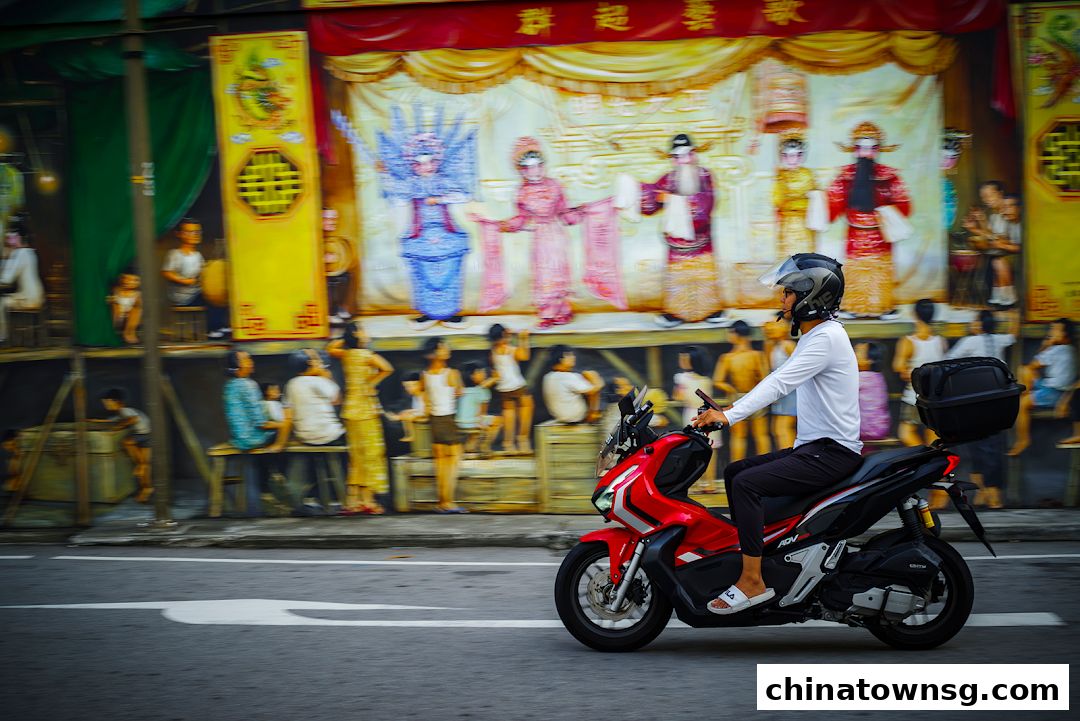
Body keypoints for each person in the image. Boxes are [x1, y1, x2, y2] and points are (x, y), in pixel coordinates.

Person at [692, 253, 863, 615]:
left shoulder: (826, 338)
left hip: (831, 453)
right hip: (815, 448)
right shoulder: (819, 336)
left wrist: (729, 415)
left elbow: (779, 383)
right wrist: (726, 411)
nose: (782, 299)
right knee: (735, 471)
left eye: (788, 293)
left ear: (810, 297)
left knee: (746, 484)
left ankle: (753, 581)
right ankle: (763, 558)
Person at [470, 139, 585, 328]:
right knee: (544, 273)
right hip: (540, 236)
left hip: (556, 234)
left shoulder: (555, 186)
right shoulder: (522, 192)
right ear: (521, 170)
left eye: (538, 166)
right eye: (529, 168)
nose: (535, 171)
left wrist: (581, 212)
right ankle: (547, 313)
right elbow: (522, 219)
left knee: (559, 270)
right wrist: (499, 225)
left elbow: (564, 212)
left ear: (543, 166)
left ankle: (563, 311)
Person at [638, 133, 726, 328]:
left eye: (685, 155)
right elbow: (650, 203)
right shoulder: (668, 180)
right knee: (678, 279)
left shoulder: (704, 176)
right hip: (677, 244)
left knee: (703, 276)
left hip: (701, 240)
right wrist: (639, 192)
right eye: (676, 157)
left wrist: (672, 200)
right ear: (672, 159)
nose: (681, 160)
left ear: (694, 155)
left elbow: (706, 204)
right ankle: (676, 313)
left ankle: (711, 310)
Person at [826, 122, 911, 320]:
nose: (866, 153)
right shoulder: (845, 175)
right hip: (855, 233)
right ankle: (853, 307)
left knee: (879, 270)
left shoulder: (889, 176)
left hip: (880, 233)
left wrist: (888, 210)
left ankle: (883, 308)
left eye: (871, 148)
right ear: (854, 150)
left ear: (878, 150)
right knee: (855, 270)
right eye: (862, 148)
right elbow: (834, 200)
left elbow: (904, 204)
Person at [945, 310, 1016, 508]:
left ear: (979, 325)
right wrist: (1014, 316)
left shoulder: (970, 341)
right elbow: (1014, 334)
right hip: (998, 400)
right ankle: (990, 494)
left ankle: (987, 493)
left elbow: (949, 360)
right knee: (992, 446)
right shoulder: (1000, 339)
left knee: (977, 444)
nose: (972, 324)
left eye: (975, 320)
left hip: (974, 400)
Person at [327, 322, 394, 514]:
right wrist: (371, 383)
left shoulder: (346, 355)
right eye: (363, 329)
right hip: (365, 410)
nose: (367, 332)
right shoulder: (367, 355)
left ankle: (352, 501)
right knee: (371, 455)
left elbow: (330, 348)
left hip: (350, 411)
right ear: (357, 334)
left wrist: (348, 339)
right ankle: (368, 501)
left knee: (356, 458)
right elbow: (387, 368)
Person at [222, 351, 291, 516]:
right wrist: (282, 424)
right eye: (247, 359)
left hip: (239, 439)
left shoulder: (229, 385)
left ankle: (267, 489)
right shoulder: (249, 385)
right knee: (285, 429)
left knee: (266, 452)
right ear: (238, 366)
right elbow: (261, 423)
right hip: (252, 439)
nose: (251, 361)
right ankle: (278, 476)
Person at [285, 348, 346, 512]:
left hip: (305, 437)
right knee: (349, 447)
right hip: (328, 436)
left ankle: (316, 496)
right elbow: (337, 400)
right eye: (317, 359)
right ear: (310, 364)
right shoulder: (319, 381)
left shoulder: (291, 384)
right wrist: (328, 377)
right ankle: (343, 497)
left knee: (316, 459)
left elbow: (288, 415)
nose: (320, 362)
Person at [1009, 319, 1077, 456]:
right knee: (1024, 370)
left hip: (1055, 392)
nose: (1050, 332)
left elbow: (1034, 364)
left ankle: (1023, 440)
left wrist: (1045, 346)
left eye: (1054, 330)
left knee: (1022, 403)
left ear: (1065, 335)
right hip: (1052, 386)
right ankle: (1028, 395)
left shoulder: (1057, 349)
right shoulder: (1071, 349)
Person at [160, 219, 229, 340]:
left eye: (197, 232)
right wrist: (184, 281)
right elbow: (167, 272)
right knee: (211, 298)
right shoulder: (175, 254)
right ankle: (212, 329)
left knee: (220, 294)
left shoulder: (197, 255)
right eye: (190, 232)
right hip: (183, 296)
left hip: (196, 291)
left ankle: (220, 325)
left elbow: (203, 271)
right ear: (180, 234)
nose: (195, 235)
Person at [713, 320, 772, 462]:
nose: (729, 335)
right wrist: (730, 388)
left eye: (731, 332)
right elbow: (717, 381)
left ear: (737, 334)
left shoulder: (756, 355)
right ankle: (736, 468)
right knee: (738, 436)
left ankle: (765, 467)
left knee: (761, 435)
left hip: (756, 397)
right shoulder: (727, 358)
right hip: (738, 398)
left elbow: (765, 377)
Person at [894, 299, 948, 450]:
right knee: (933, 436)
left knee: (905, 432)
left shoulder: (908, 342)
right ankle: (935, 465)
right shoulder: (941, 341)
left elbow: (899, 368)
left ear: (914, 315)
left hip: (914, 397)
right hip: (936, 397)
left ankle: (924, 458)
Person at [420, 337, 466, 513]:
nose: (448, 349)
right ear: (435, 353)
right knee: (453, 462)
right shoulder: (452, 373)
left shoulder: (424, 375)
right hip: (448, 419)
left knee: (440, 464)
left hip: (434, 421)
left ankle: (442, 502)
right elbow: (459, 392)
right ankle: (450, 502)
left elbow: (424, 397)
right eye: (444, 347)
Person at [673, 345, 720, 492]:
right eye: (681, 358)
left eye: (686, 358)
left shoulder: (688, 379)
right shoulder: (690, 378)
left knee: (706, 448)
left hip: (702, 414)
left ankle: (707, 482)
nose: (682, 361)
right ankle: (701, 482)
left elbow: (679, 396)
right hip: (694, 415)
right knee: (698, 449)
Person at [96, 388, 153, 503]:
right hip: (148, 434)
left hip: (142, 434)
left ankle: (140, 466)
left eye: (107, 402)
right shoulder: (122, 413)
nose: (106, 405)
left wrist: (116, 429)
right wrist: (95, 421)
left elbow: (133, 419)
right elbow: (110, 421)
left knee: (127, 442)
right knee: (145, 467)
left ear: (116, 402)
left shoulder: (125, 411)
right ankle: (147, 489)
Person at [772, 129, 819, 259]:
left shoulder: (808, 174)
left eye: (796, 155)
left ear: (802, 155)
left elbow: (816, 196)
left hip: (806, 220)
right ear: (782, 157)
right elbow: (777, 200)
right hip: (787, 221)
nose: (792, 159)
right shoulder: (780, 175)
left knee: (806, 252)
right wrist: (779, 179)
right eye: (787, 155)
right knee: (788, 252)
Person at [488, 324, 533, 454]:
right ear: (504, 335)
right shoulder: (510, 349)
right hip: (517, 385)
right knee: (526, 407)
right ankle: (522, 439)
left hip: (503, 388)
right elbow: (524, 356)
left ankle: (508, 443)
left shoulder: (493, 351)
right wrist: (523, 339)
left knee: (509, 413)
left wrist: (507, 334)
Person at [0, 215, 43, 345]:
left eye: (10, 236)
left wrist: (8, 255)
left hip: (29, 299)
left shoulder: (20, 254)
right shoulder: (29, 252)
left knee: (2, 302)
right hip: (37, 296)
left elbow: (7, 279)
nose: (7, 240)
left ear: (18, 237)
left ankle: (2, 337)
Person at [542, 345, 604, 424]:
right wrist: (597, 381)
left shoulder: (548, 376)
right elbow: (593, 390)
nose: (573, 357)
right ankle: (593, 414)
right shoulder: (569, 377)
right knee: (591, 374)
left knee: (584, 382)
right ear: (560, 359)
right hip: (575, 417)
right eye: (569, 355)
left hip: (559, 416)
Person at [763, 319, 797, 450]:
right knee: (777, 429)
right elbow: (767, 368)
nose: (768, 328)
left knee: (782, 428)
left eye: (774, 325)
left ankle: (791, 459)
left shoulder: (788, 345)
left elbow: (800, 368)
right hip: (780, 392)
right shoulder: (775, 345)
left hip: (790, 392)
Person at [457, 360, 503, 457]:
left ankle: (470, 446)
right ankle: (485, 446)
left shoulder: (461, 390)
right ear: (472, 376)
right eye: (481, 372)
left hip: (459, 422)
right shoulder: (482, 391)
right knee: (498, 420)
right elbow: (482, 412)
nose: (484, 375)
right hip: (472, 422)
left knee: (479, 421)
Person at [322, 207, 354, 327]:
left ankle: (340, 306)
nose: (331, 222)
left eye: (333, 219)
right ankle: (331, 312)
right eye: (327, 219)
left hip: (331, 271)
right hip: (320, 274)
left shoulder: (331, 237)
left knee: (345, 277)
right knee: (332, 283)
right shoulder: (313, 236)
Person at [854, 342, 891, 444]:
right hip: (880, 428)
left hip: (867, 429)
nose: (852, 354)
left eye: (858, 352)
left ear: (869, 360)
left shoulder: (863, 377)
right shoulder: (877, 376)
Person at [384, 371, 425, 442]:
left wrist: (409, 415)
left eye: (410, 386)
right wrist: (408, 411)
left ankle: (396, 418)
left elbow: (425, 411)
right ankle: (408, 435)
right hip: (420, 414)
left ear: (419, 384)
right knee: (404, 413)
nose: (407, 389)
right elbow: (418, 409)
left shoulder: (423, 395)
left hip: (426, 416)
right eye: (406, 387)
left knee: (407, 417)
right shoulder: (415, 396)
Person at [108, 268, 142, 345]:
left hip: (129, 319)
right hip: (116, 316)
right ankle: (110, 332)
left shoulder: (137, 294)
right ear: (122, 279)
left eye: (135, 280)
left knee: (136, 309)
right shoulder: (116, 291)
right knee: (114, 305)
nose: (130, 282)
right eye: (127, 279)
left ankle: (129, 333)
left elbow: (139, 306)